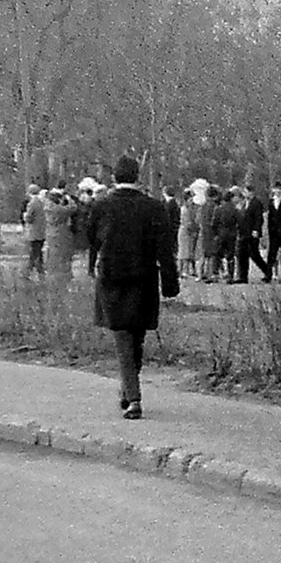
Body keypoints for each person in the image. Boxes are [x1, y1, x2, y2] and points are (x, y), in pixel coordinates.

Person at [89, 155, 179, 419]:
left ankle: (133, 396)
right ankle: (130, 392)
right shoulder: (154, 207)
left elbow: (92, 240)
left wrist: (92, 265)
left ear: (114, 177)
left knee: (122, 338)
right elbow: (166, 250)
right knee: (135, 338)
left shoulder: (101, 206)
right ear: (138, 176)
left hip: (113, 279)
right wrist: (170, 284)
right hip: (144, 279)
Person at [44, 189, 75, 283]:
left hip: (50, 232)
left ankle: (51, 270)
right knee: (63, 253)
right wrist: (69, 199)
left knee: (52, 252)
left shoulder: (47, 206)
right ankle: (63, 273)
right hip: (61, 233)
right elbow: (72, 208)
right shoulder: (58, 209)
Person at [22, 186, 47, 276]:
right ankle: (40, 270)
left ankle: (27, 272)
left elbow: (29, 217)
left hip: (34, 232)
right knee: (38, 252)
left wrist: (25, 217)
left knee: (34, 252)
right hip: (42, 231)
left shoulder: (32, 203)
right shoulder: (42, 202)